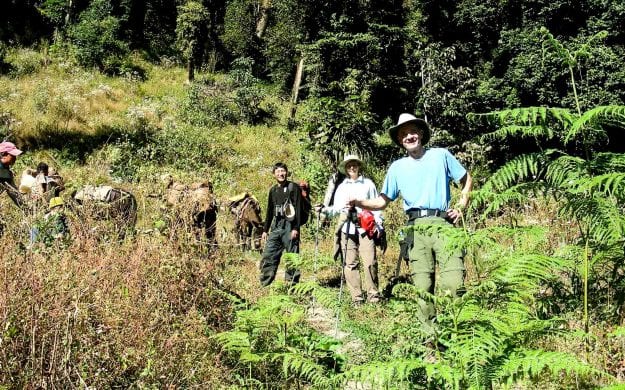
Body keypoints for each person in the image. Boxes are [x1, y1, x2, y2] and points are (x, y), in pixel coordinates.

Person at [350, 113, 472, 323]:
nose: (409, 136)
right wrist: (358, 203)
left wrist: (461, 206)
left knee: (454, 282)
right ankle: (431, 344)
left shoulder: (441, 155)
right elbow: (381, 202)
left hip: (444, 224)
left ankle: (458, 338)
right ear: (400, 140)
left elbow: (467, 179)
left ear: (421, 134)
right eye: (404, 134)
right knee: (423, 288)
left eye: (413, 131)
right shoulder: (397, 168)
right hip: (415, 230)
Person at [318, 154, 384, 305]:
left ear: (359, 166)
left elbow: (376, 205)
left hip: (366, 227)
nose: (352, 167)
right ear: (346, 169)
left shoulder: (368, 184)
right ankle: (357, 298)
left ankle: (373, 296)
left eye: (354, 164)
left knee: (369, 262)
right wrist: (324, 210)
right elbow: (336, 209)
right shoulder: (342, 187)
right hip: (347, 228)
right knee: (350, 264)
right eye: (349, 165)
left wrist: (379, 224)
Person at [259, 162, 303, 286]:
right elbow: (269, 211)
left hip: (290, 225)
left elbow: (298, 209)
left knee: (292, 256)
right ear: (274, 174)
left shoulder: (293, 187)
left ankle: (292, 286)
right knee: (269, 254)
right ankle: (265, 283)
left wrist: (295, 228)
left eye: (283, 171)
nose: (280, 174)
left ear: (287, 172)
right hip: (276, 225)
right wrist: (265, 230)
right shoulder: (273, 190)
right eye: (278, 171)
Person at [0, 141, 24, 207]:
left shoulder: (7, 172)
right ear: (4, 154)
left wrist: (24, 206)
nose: (15, 158)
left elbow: (13, 192)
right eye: (12, 155)